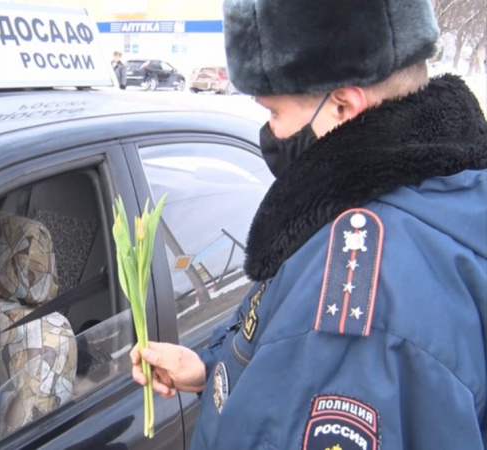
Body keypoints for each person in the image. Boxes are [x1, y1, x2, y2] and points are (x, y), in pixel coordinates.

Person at [131, 0, 487, 448]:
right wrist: (213, 369)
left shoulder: (354, 304)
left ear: (342, 106)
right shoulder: (448, 191)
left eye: (275, 112)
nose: (269, 131)